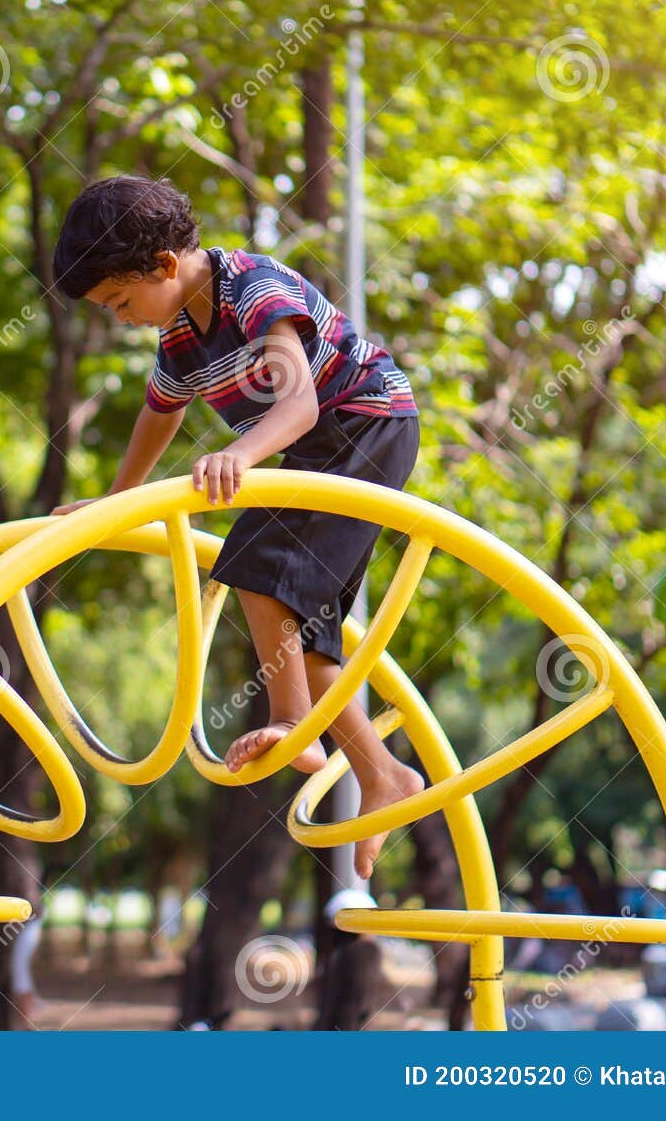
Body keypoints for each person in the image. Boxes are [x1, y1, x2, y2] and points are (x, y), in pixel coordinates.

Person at [52, 174, 425, 879]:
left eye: (122, 301)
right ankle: (382, 772)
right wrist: (114, 500)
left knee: (258, 565)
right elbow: (160, 413)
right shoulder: (179, 334)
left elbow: (302, 404)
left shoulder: (250, 289)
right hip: (320, 446)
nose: (123, 318)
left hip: (365, 421)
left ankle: (294, 723)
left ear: (164, 266)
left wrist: (240, 451)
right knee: (291, 609)